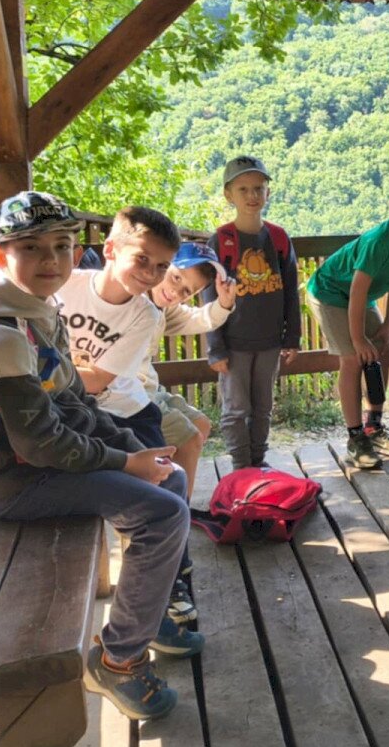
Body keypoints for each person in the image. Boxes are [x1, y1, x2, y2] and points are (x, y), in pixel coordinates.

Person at [0, 191, 200, 722]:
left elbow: (74, 400)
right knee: (163, 513)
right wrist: (125, 464)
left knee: (170, 478)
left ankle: (145, 615)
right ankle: (119, 661)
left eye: (61, 246)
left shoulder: (35, 312)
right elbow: (39, 442)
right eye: (31, 248)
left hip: (44, 465)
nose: (51, 260)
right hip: (14, 483)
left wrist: (131, 448)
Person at [307, 174, 389, 470]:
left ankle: (373, 427)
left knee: (385, 349)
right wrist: (358, 339)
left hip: (360, 297)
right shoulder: (379, 241)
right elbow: (357, 290)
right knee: (353, 358)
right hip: (330, 291)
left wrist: (387, 326)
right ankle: (355, 438)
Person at [59, 206, 182, 449]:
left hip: (125, 412)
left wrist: (38, 372)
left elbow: (97, 380)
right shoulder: (65, 285)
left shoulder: (145, 315)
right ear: (110, 249)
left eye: (162, 266)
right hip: (72, 404)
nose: (150, 273)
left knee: (158, 468)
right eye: (142, 258)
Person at [207, 155, 301, 470]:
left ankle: (258, 463)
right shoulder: (221, 240)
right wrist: (215, 347)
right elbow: (210, 297)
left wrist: (292, 337)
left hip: (270, 341)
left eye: (258, 188)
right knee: (236, 409)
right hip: (233, 342)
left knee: (263, 408)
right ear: (228, 195)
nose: (252, 196)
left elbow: (290, 290)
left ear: (268, 193)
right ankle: (240, 467)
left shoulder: (278, 238)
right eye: (243, 189)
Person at [139, 241, 236, 500]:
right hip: (130, 393)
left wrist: (223, 303)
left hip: (149, 389)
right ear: (164, 265)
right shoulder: (135, 301)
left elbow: (196, 319)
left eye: (186, 291)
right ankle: (180, 510)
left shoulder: (162, 308)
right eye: (175, 277)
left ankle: (167, 493)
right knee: (189, 439)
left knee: (201, 424)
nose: (175, 291)